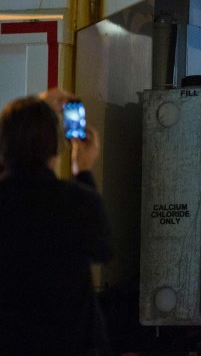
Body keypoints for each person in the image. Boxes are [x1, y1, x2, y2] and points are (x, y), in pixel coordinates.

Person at [0, 91, 114, 355]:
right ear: (55, 146)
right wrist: (82, 172)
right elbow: (103, 249)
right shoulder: (74, 201)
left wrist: (30, 115)